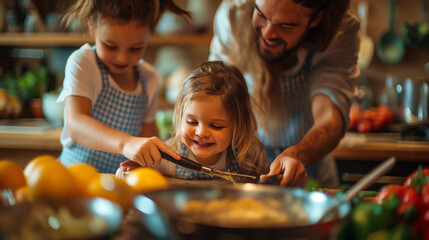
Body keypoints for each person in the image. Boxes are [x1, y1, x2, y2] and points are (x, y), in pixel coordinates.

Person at [209, 0, 360, 187]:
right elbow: (213, 97)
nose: (267, 33)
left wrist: (297, 154)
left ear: (316, 18)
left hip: (309, 167)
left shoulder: (339, 32)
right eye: (261, 15)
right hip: (242, 165)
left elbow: (329, 118)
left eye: (285, 25)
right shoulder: (234, 15)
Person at [57, 0, 190, 173]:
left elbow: (147, 139)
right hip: (74, 181)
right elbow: (76, 124)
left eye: (136, 48)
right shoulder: (83, 63)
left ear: (151, 31)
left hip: (117, 187)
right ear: (92, 25)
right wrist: (126, 143)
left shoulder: (149, 78)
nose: (122, 58)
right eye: (110, 46)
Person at [118, 61, 269, 179]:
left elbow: (268, 182)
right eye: (192, 122)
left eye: (216, 126)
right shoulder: (168, 157)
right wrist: (132, 170)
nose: (201, 132)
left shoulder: (248, 158)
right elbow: (139, 177)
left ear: (238, 126)